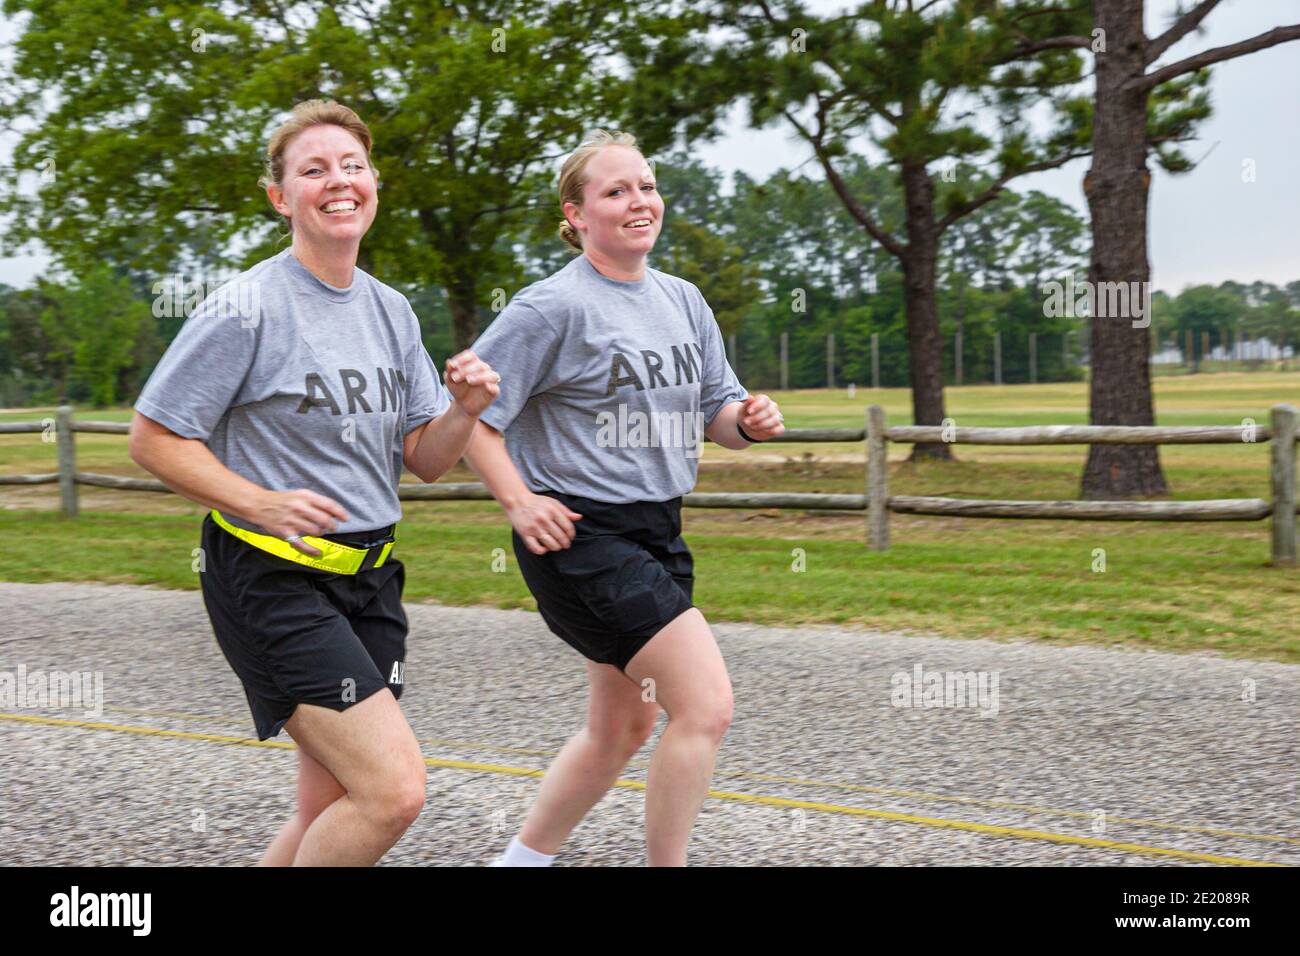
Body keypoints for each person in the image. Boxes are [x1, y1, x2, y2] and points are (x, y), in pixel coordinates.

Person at [128, 99, 500, 866]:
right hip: (271, 580)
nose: (339, 181)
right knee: (392, 792)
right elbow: (155, 437)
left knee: (327, 807)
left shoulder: (393, 312)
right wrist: (254, 498)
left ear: (374, 184)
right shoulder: (247, 308)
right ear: (280, 196)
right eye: (314, 169)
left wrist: (465, 410)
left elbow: (425, 459)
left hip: (371, 583)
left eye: (353, 166)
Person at [464, 129, 785, 867]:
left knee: (621, 731)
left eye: (644, 185)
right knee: (705, 707)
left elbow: (720, 417)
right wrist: (518, 500)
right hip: (580, 534)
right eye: (615, 191)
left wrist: (749, 420)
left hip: (658, 532)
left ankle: (515, 865)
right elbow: (472, 423)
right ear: (576, 215)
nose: (638, 201)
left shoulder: (683, 299)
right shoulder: (550, 309)